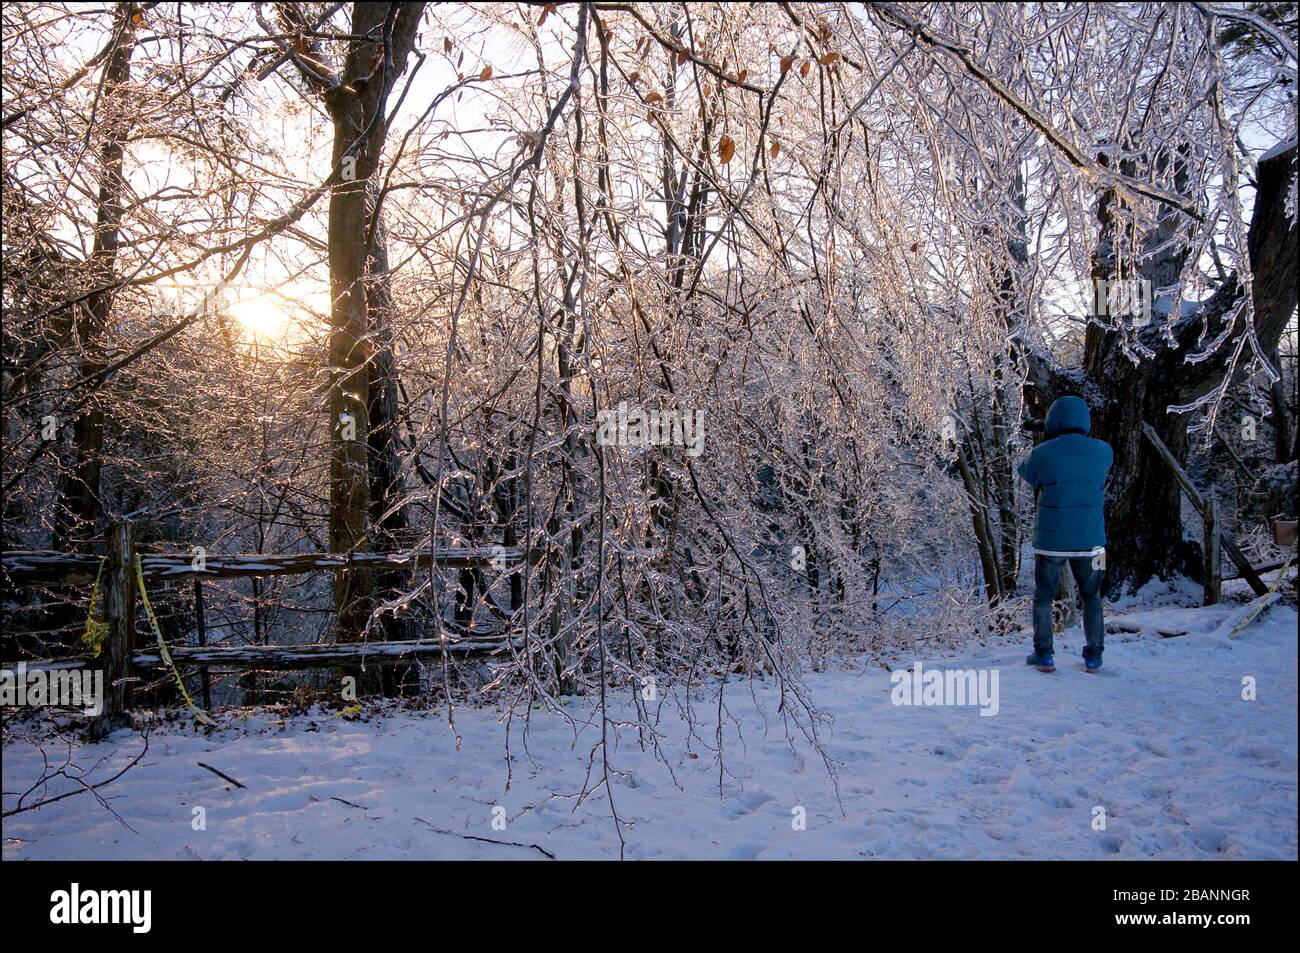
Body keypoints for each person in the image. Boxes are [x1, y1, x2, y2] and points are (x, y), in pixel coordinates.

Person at [1017, 395, 1113, 673]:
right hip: (1092, 542)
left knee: (1044, 596)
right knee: (1092, 596)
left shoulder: (1043, 453)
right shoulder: (1103, 451)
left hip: (1051, 542)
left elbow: (1028, 473)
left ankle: (1044, 654)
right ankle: (1094, 656)